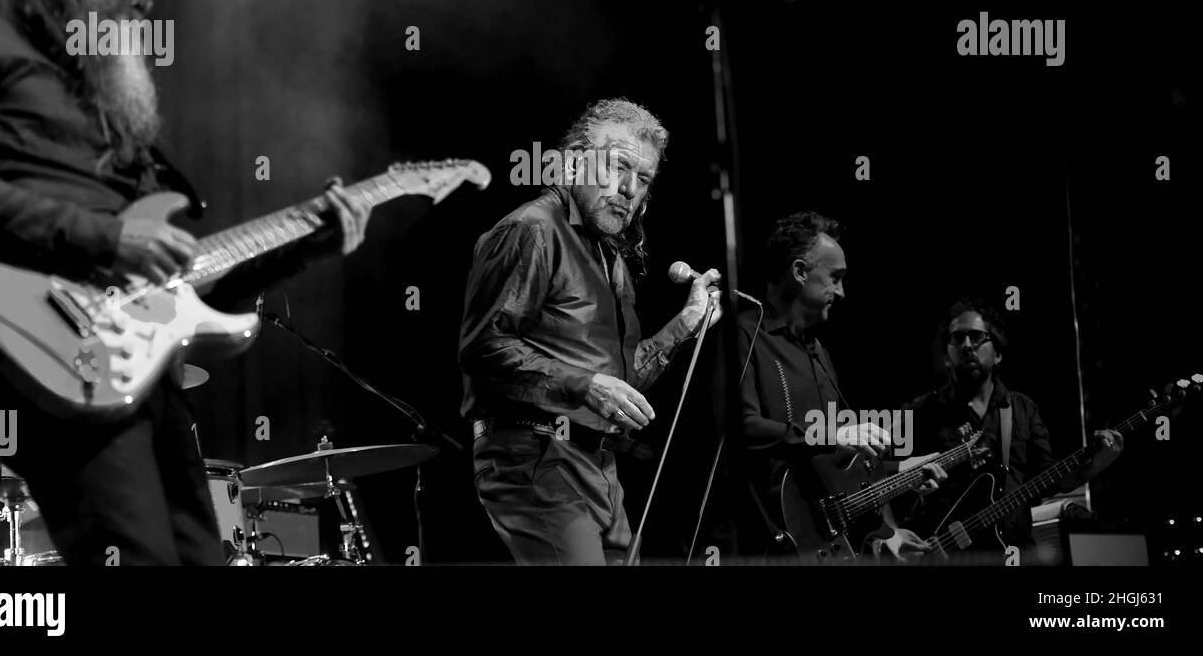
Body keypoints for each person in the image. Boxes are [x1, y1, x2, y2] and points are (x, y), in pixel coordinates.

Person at [0, 0, 372, 565]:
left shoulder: (104, 94)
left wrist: (310, 242)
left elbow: (179, 272)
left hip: (142, 373)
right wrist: (108, 236)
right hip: (40, 351)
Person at [459, 98, 722, 565]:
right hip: (535, 456)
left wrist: (684, 326)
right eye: (619, 167)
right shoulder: (533, 229)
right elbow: (482, 347)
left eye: (643, 180)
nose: (627, 189)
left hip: (598, 465)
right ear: (576, 160)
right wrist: (586, 386)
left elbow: (618, 382)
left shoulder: (611, 256)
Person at [731, 211, 941, 561]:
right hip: (768, 542)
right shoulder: (746, 334)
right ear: (799, 272)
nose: (842, 292)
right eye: (835, 278)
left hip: (825, 546)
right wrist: (830, 434)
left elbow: (844, 464)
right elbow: (742, 427)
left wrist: (901, 473)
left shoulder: (819, 352)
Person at [897, 298, 1122, 560]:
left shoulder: (1022, 409)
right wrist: (900, 538)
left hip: (1012, 553)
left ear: (998, 353)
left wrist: (1097, 464)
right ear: (946, 356)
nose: (967, 345)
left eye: (977, 337)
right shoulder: (920, 412)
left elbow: (1051, 479)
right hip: (942, 555)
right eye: (957, 338)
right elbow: (890, 485)